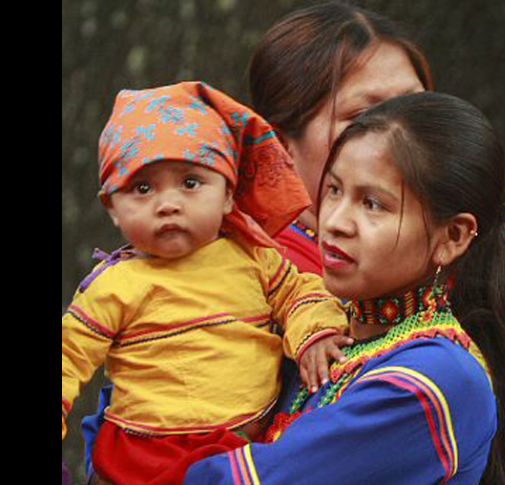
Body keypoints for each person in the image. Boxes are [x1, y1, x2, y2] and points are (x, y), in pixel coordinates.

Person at [81, 3, 505, 482]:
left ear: (455, 236)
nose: (397, 133)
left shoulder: (436, 350)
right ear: (280, 147)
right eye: (367, 116)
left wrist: (465, 418)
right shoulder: (242, 270)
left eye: (417, 110)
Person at [186, 90, 505, 484]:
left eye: (373, 204)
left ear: (452, 237)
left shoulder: (434, 380)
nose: (335, 221)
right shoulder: (321, 331)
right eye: (334, 190)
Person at [62, 81, 352, 484]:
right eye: (142, 188)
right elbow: (68, 357)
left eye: (191, 183)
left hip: (245, 447)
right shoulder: (112, 286)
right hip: (140, 462)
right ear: (112, 208)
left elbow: (303, 292)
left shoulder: (255, 258)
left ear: (229, 194)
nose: (168, 203)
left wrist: (315, 333)